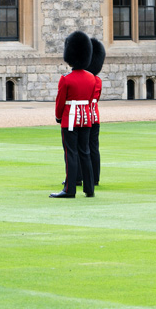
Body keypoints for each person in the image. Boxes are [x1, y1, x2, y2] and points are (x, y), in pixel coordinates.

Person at [51, 31, 95, 198]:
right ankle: (89, 188)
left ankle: (69, 189)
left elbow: (60, 101)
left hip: (70, 119)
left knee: (70, 153)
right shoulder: (92, 78)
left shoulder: (66, 79)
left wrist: (58, 116)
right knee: (85, 152)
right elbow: (91, 99)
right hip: (86, 119)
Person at [86, 38, 105, 187]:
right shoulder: (97, 80)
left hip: (82, 117)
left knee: (82, 148)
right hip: (94, 116)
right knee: (93, 148)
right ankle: (95, 177)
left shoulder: (85, 79)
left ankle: (80, 175)